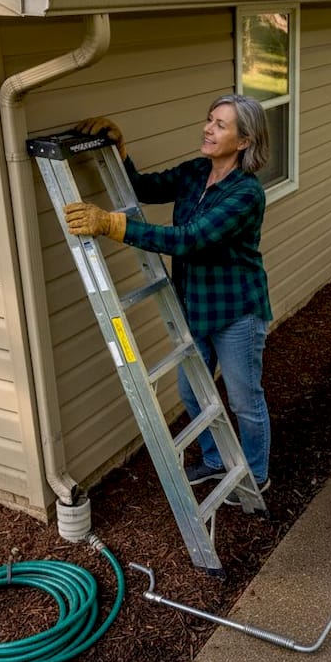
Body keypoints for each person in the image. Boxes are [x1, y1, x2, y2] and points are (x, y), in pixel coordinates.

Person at [64, 94, 273, 505]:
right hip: (194, 306)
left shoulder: (246, 194)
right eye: (209, 120)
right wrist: (119, 152)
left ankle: (257, 473)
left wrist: (111, 224)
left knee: (244, 401)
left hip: (235, 313)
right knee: (193, 393)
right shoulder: (197, 171)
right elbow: (145, 187)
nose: (208, 129)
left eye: (221, 125)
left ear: (244, 141)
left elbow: (189, 239)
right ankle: (216, 460)